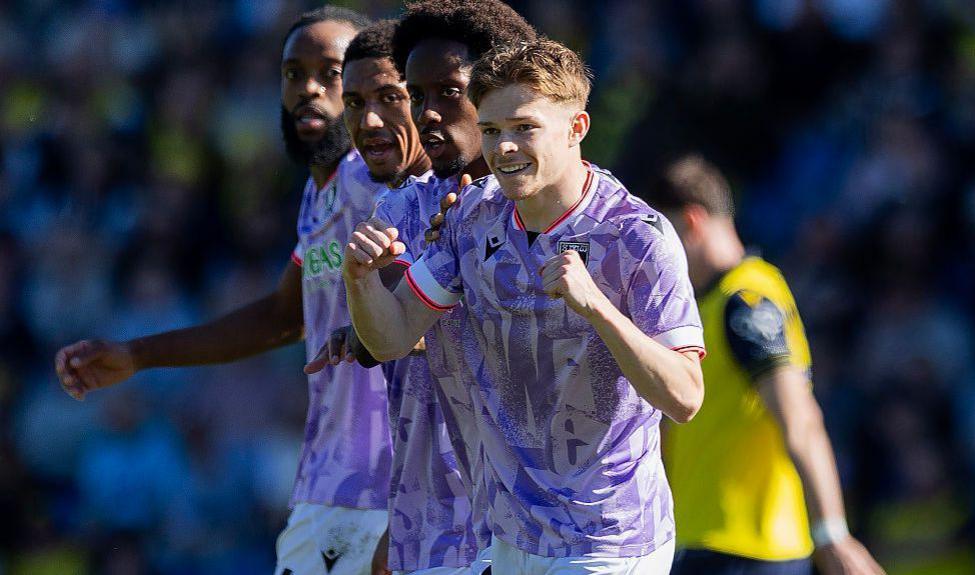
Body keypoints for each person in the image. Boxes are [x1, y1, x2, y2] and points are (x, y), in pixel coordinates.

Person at [53, 9, 432, 575]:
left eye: (331, 73)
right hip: (331, 487)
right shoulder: (319, 195)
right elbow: (286, 314)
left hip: (389, 489)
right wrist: (138, 355)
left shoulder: (377, 176)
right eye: (293, 72)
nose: (308, 88)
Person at [341, 39, 704, 574]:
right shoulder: (472, 218)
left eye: (524, 128)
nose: (504, 148)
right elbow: (391, 337)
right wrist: (360, 281)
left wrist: (598, 308)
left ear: (576, 128)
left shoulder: (637, 236)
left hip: (609, 540)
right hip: (507, 537)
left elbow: (685, 396)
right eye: (491, 131)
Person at [306, 3, 539, 573]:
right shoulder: (402, 210)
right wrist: (365, 321)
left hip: (551, 526)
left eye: (447, 92)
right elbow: (396, 324)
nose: (428, 112)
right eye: (418, 94)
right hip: (434, 524)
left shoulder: (573, 212)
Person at [654, 155, 885, 575]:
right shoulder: (702, 307)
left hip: (749, 549)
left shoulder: (747, 299)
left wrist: (831, 533)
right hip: (703, 543)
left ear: (691, 222)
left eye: (658, 241)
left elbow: (798, 417)